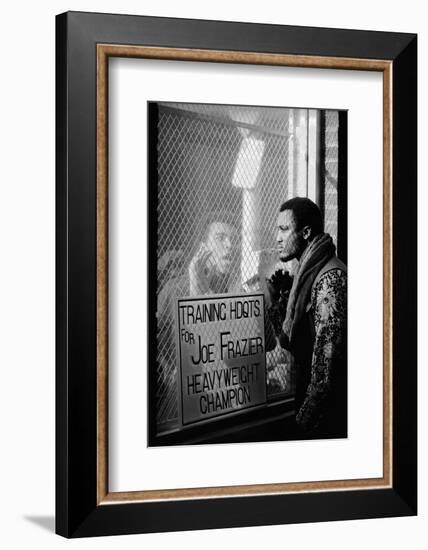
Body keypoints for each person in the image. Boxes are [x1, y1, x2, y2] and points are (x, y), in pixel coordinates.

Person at [267, 197, 347, 438]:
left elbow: (326, 370)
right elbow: (298, 343)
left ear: (306, 232)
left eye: (284, 229)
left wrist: (300, 427)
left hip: (326, 421)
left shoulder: (330, 280)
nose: (277, 238)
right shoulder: (306, 274)